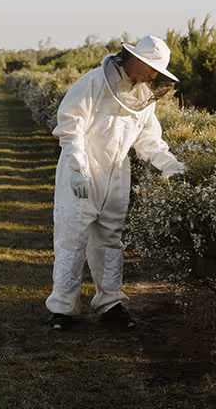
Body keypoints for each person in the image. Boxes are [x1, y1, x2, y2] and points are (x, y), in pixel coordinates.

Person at [46, 35, 185, 329]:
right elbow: (70, 126)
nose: (154, 75)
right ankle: (63, 309)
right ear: (135, 60)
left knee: (110, 240)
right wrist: (77, 167)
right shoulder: (94, 82)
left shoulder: (144, 98)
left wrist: (168, 163)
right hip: (82, 171)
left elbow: (149, 140)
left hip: (117, 173)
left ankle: (110, 305)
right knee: (72, 238)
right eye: (151, 68)